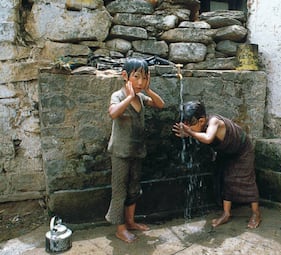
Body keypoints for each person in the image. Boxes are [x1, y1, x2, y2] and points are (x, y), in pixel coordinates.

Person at [172, 101, 261, 229]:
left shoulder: (214, 122)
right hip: (226, 152)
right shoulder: (201, 125)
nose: (188, 127)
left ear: (201, 120)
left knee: (246, 181)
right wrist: (188, 133)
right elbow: (202, 136)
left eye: (190, 124)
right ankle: (226, 213)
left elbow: (208, 138)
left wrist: (190, 133)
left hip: (242, 151)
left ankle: (256, 214)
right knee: (226, 180)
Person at [105, 58, 165, 243]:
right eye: (136, 77)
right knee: (120, 190)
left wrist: (147, 91)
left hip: (137, 151)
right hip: (120, 153)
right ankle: (120, 228)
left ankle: (130, 221)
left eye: (144, 78)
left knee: (133, 188)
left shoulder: (141, 97)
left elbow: (160, 104)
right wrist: (130, 97)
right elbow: (113, 113)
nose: (140, 82)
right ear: (125, 76)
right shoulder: (119, 96)